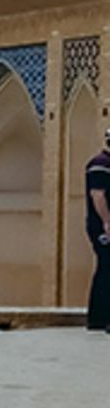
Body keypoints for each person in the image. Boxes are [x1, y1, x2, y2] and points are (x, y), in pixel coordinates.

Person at [87, 130, 110, 334]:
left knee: (105, 269)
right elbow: (98, 195)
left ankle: (98, 319)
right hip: (102, 225)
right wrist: (107, 222)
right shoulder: (101, 165)